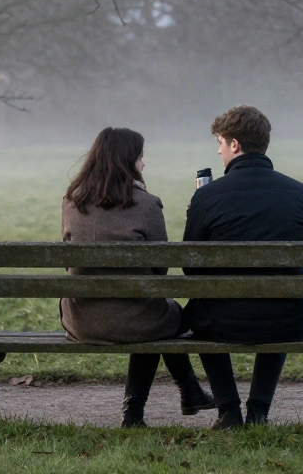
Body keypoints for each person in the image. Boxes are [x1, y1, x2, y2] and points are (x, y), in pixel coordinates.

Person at [60, 127, 215, 427]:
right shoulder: (146, 205)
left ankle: (190, 392)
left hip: (81, 320)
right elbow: (160, 271)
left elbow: (70, 261)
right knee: (156, 318)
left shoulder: (71, 201)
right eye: (140, 158)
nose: (143, 165)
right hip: (137, 320)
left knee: (152, 314)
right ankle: (139, 411)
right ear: (128, 162)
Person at [182, 105, 303, 429]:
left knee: (199, 311)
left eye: (220, 143)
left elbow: (190, 268)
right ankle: (258, 411)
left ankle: (228, 410)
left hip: (222, 321)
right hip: (289, 320)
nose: (219, 150)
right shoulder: (299, 192)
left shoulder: (208, 197)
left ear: (235, 145)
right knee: (279, 294)